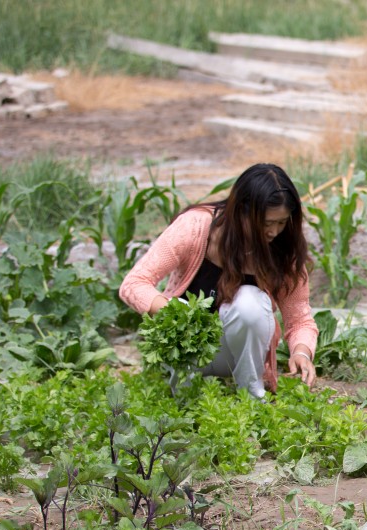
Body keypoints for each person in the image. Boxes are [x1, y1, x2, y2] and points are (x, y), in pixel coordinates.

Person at [119, 163, 319, 396]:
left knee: (249, 301)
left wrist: (301, 353)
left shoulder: (282, 250)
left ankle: (252, 397)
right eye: (265, 223)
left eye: (281, 222)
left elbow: (299, 319)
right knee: (181, 307)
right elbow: (134, 283)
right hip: (185, 349)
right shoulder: (195, 227)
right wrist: (175, 315)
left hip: (236, 355)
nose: (273, 232)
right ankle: (184, 398)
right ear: (241, 212)